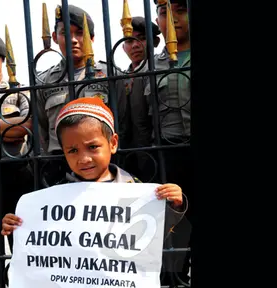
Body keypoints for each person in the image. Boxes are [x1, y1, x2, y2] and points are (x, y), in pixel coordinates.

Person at [1, 97, 188, 251]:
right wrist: (18, 225)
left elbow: (154, 233)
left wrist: (173, 206)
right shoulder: (56, 195)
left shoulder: (134, 187)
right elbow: (44, 239)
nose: (84, 159)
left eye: (92, 147)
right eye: (73, 151)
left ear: (113, 143)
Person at [143, 0, 192, 284]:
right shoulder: (150, 66)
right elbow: (139, 124)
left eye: (181, 9)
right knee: (172, 251)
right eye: (164, 12)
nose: (172, 18)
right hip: (167, 162)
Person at [35, 4, 110, 187]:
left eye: (80, 33)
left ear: (91, 38)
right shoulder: (44, 81)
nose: (73, 40)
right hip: (57, 164)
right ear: (54, 37)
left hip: (99, 163)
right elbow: (41, 128)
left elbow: (124, 121)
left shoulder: (110, 76)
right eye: (65, 33)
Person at [0, 34, 35, 258]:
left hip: (15, 174)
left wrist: (11, 129)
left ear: (2, 59)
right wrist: (3, 129)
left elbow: (26, 127)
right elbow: (12, 129)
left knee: (22, 245)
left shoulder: (18, 92)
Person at [116, 17, 162, 182]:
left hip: (158, 152)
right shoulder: (120, 78)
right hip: (125, 156)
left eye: (141, 38)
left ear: (155, 42)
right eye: (129, 40)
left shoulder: (163, 72)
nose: (135, 45)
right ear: (123, 46)